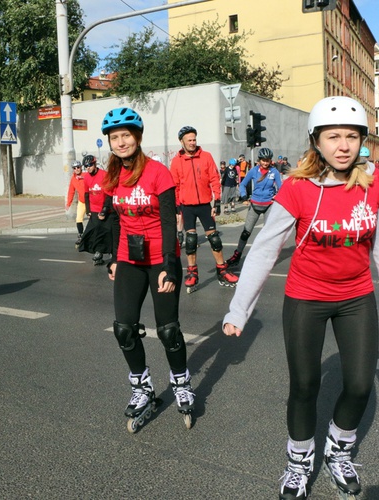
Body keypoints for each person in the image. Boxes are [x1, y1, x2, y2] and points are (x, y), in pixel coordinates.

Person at [222, 96, 379, 499]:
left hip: (356, 296)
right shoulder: (297, 187)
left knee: (360, 385)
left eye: (351, 136)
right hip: (306, 298)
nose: (342, 145)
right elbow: (264, 250)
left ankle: (338, 453)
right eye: (333, 137)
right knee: (305, 385)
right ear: (317, 142)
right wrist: (239, 309)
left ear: (361, 140)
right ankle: (298, 461)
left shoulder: (374, 183)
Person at [100, 107, 194, 432]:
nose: (121, 141)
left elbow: (169, 221)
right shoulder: (112, 176)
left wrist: (170, 263)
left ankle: (181, 381)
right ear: (110, 142)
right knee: (123, 328)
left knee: (168, 330)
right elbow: (113, 219)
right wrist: (113, 258)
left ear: (137, 137)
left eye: (126, 135)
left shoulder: (158, 173)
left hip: (160, 258)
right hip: (129, 258)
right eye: (115, 137)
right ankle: (142, 387)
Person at [170, 125, 238, 292]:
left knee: (214, 239)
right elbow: (175, 186)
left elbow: (215, 179)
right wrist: (177, 206)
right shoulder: (176, 161)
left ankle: (222, 270)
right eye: (189, 140)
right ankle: (192, 273)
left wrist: (217, 202)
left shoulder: (206, 157)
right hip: (187, 206)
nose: (193, 143)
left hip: (204, 205)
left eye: (194, 139)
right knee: (191, 241)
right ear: (182, 142)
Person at [226, 147, 282, 268]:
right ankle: (237, 255)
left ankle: (266, 257)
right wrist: (244, 197)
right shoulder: (253, 171)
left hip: (269, 205)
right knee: (246, 232)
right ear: (259, 160)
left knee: (267, 234)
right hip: (255, 204)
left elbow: (281, 187)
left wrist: (277, 198)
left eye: (267, 160)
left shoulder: (274, 172)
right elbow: (243, 184)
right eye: (263, 160)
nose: (265, 163)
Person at [79, 155, 113, 266]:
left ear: (95, 164)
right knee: (93, 232)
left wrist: (104, 210)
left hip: (105, 209)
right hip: (94, 209)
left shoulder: (104, 175)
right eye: (86, 166)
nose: (88, 168)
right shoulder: (87, 177)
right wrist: (88, 210)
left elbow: (109, 194)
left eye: (89, 165)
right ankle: (98, 253)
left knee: (107, 231)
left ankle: (112, 252)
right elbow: (86, 194)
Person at [65, 160, 86, 247]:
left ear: (81, 167)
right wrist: (68, 203)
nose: (77, 169)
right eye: (75, 168)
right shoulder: (73, 179)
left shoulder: (86, 175)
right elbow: (71, 191)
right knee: (78, 219)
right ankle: (81, 235)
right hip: (82, 201)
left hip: (91, 201)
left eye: (78, 167)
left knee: (94, 219)